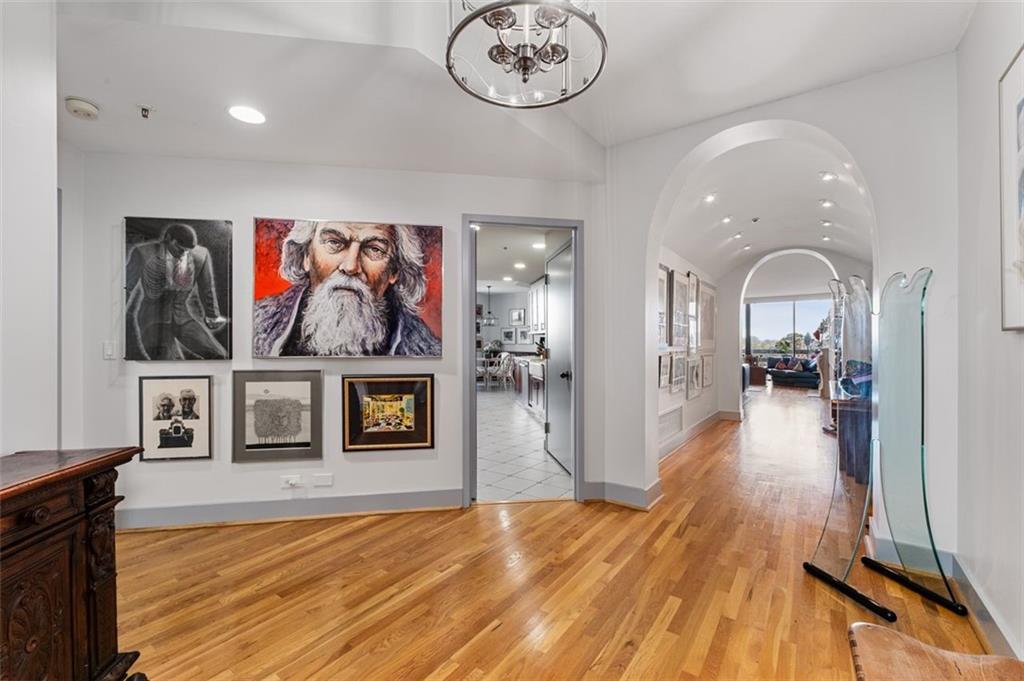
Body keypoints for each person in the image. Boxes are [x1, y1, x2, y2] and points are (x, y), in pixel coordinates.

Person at [254, 221, 441, 357]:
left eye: (374, 249)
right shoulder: (256, 324)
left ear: (394, 271)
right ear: (306, 256)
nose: (351, 266)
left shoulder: (429, 350)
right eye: (335, 243)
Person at [125, 222, 228, 360]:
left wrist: (212, 316)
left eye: (187, 251)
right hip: (152, 320)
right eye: (180, 249)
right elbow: (126, 287)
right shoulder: (143, 253)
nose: (183, 254)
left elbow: (207, 288)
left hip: (183, 318)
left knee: (219, 355)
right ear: (168, 239)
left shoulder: (200, 255)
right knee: (171, 361)